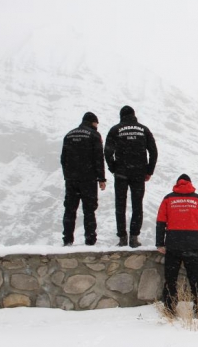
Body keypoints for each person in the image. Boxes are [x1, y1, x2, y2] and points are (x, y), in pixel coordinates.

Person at [156, 174, 198, 318]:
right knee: (195, 279)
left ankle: (169, 309)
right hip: (192, 243)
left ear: (177, 184)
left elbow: (161, 221)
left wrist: (159, 243)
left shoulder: (168, 198)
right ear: (190, 184)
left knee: (170, 279)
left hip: (173, 243)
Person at [104, 105, 158, 248]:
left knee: (120, 206)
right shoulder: (144, 130)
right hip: (139, 173)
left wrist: (113, 168)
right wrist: (149, 171)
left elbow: (107, 152)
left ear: (121, 116)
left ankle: (122, 237)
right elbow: (153, 151)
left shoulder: (115, 130)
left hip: (121, 173)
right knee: (137, 205)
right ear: (134, 115)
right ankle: (134, 238)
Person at [60, 112, 107, 246]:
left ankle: (67, 240)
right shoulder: (94, 135)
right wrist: (101, 178)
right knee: (89, 210)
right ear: (93, 122)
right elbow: (99, 158)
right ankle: (90, 240)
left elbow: (63, 159)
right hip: (88, 179)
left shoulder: (69, 135)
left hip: (71, 180)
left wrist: (68, 176)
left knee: (70, 210)